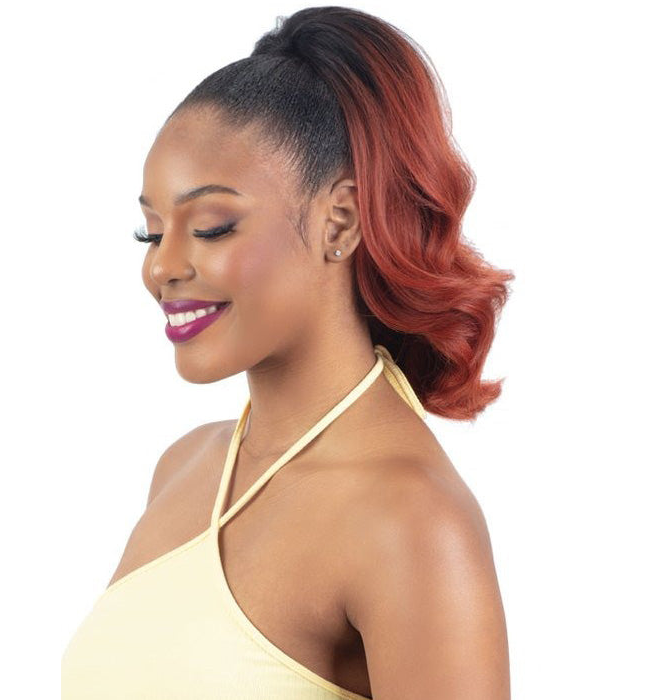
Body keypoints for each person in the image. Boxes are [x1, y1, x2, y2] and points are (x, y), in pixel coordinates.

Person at [62, 6, 514, 699]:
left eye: (211, 227)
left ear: (340, 222)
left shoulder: (411, 519)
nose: (162, 267)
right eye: (150, 233)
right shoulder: (185, 467)